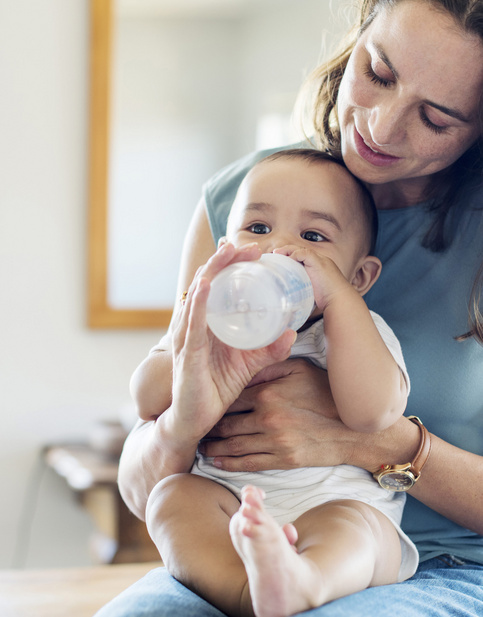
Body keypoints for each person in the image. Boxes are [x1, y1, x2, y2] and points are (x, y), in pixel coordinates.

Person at [95, 1, 483, 615]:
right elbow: (148, 480)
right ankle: (257, 593)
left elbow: (373, 406)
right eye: (377, 74)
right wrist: (183, 418)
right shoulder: (247, 193)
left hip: (440, 561)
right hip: (240, 535)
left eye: (435, 118)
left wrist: (373, 443)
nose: (380, 129)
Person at [145, 149, 415, 617]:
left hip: (336, 505)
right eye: (257, 229)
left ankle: (305, 580)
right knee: (171, 498)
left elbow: (373, 414)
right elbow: (146, 398)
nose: (279, 249)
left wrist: (341, 304)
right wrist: (194, 343)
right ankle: (246, 591)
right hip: (230, 505)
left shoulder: (355, 330)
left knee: (357, 526)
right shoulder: (208, 325)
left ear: (360, 276)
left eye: (313, 235)